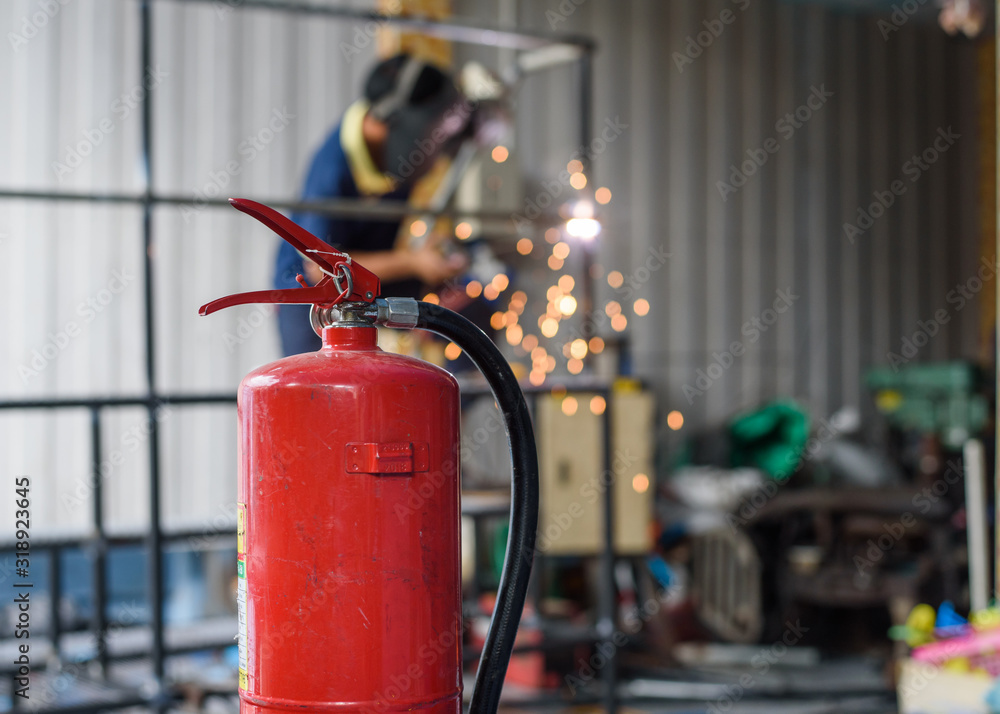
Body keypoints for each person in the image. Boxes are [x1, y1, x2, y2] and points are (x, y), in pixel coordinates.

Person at [275, 54, 470, 356]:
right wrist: (414, 261)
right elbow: (319, 270)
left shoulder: (391, 156)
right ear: (386, 122)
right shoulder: (333, 173)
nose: (432, 156)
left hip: (361, 280)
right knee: (321, 393)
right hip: (310, 300)